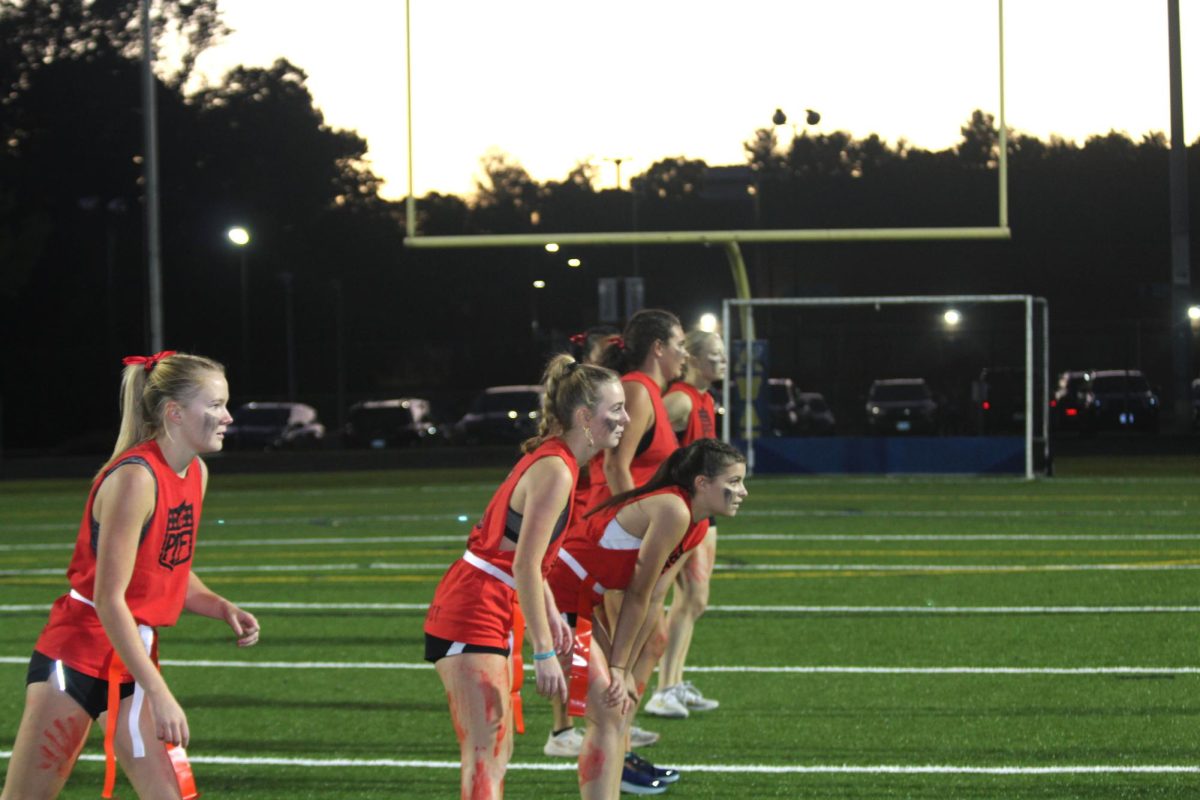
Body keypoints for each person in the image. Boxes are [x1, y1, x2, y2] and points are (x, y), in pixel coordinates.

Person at [1, 351, 261, 800]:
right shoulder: (135, 479)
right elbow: (108, 599)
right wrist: (159, 691)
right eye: (216, 405)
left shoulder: (195, 473)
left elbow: (165, 568)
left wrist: (219, 605)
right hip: (77, 656)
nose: (228, 417)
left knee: (172, 794)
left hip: (131, 656)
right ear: (174, 413)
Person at [424, 355, 628, 799]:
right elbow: (523, 564)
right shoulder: (555, 469)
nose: (625, 419)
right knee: (488, 751)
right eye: (615, 410)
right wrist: (544, 652)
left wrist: (551, 613)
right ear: (583, 417)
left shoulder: (562, 463)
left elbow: (527, 558)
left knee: (601, 711)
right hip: (474, 606)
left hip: (504, 599)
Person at [547, 439, 749, 798]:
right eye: (732, 482)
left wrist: (624, 667)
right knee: (609, 711)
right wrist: (620, 667)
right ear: (702, 483)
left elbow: (655, 596)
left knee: (613, 710)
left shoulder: (695, 524)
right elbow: (636, 592)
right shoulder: (674, 509)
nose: (742, 491)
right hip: (557, 598)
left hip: (580, 603)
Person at [545, 310, 686, 779]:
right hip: (607, 540)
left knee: (634, 645)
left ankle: (614, 740)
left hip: (616, 536)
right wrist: (639, 525)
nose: (684, 353)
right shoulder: (638, 391)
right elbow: (615, 468)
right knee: (618, 650)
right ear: (658, 348)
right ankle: (608, 743)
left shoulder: (650, 394)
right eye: (679, 343)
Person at [646, 330, 727, 719]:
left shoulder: (706, 399)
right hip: (683, 511)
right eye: (715, 354)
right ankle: (661, 690)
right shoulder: (678, 400)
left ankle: (673, 683)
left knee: (695, 601)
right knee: (674, 598)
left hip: (702, 510)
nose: (723, 361)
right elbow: (646, 442)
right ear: (692, 359)